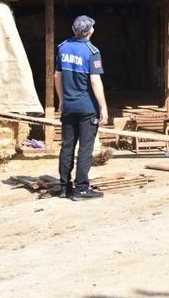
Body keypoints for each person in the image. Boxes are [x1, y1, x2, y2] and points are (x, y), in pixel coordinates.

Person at [54, 15, 110, 201]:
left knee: (67, 147)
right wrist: (103, 107)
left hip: (68, 107)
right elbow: (95, 80)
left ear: (73, 29)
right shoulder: (92, 51)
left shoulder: (62, 48)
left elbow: (57, 76)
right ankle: (81, 189)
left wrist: (61, 100)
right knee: (85, 148)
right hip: (87, 108)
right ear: (91, 31)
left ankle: (64, 187)